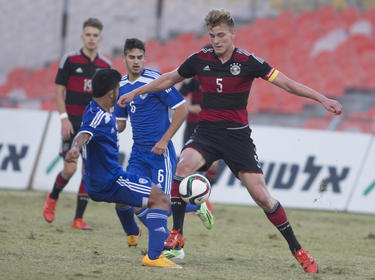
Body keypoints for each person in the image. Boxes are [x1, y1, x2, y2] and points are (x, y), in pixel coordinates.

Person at [117, 8, 343, 274]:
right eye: (212, 35)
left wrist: (322, 99)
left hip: (237, 136)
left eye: (221, 35)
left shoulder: (248, 61)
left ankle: (298, 249)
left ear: (233, 33)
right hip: (207, 133)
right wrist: (136, 92)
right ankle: (176, 233)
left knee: (262, 197)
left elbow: (287, 84)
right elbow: (168, 78)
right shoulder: (199, 59)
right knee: (182, 167)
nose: (216, 40)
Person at [65, 68, 181, 268]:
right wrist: (74, 148)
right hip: (111, 181)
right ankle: (154, 257)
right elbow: (83, 134)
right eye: (118, 87)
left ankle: (132, 233)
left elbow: (98, 129)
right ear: (111, 92)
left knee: (126, 201)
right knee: (161, 200)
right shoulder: (99, 116)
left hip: (96, 183)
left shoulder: (96, 109)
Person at [113, 38, 214, 260]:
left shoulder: (156, 81)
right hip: (138, 154)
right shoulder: (120, 87)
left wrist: (164, 140)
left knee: (164, 204)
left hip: (161, 153)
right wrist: (104, 125)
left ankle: (195, 208)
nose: (136, 61)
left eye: (140, 57)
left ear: (144, 58)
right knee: (132, 200)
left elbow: (182, 110)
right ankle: (170, 238)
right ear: (124, 59)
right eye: (132, 57)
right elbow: (120, 124)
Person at [43, 18, 112, 230]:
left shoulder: (105, 66)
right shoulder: (70, 60)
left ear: (100, 38)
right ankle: (52, 198)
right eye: (88, 35)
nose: (91, 39)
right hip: (72, 122)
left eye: (95, 35)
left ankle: (78, 219)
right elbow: (59, 91)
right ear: (82, 37)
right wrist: (63, 118)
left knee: (88, 171)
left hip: (93, 124)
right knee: (70, 169)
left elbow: (108, 98)